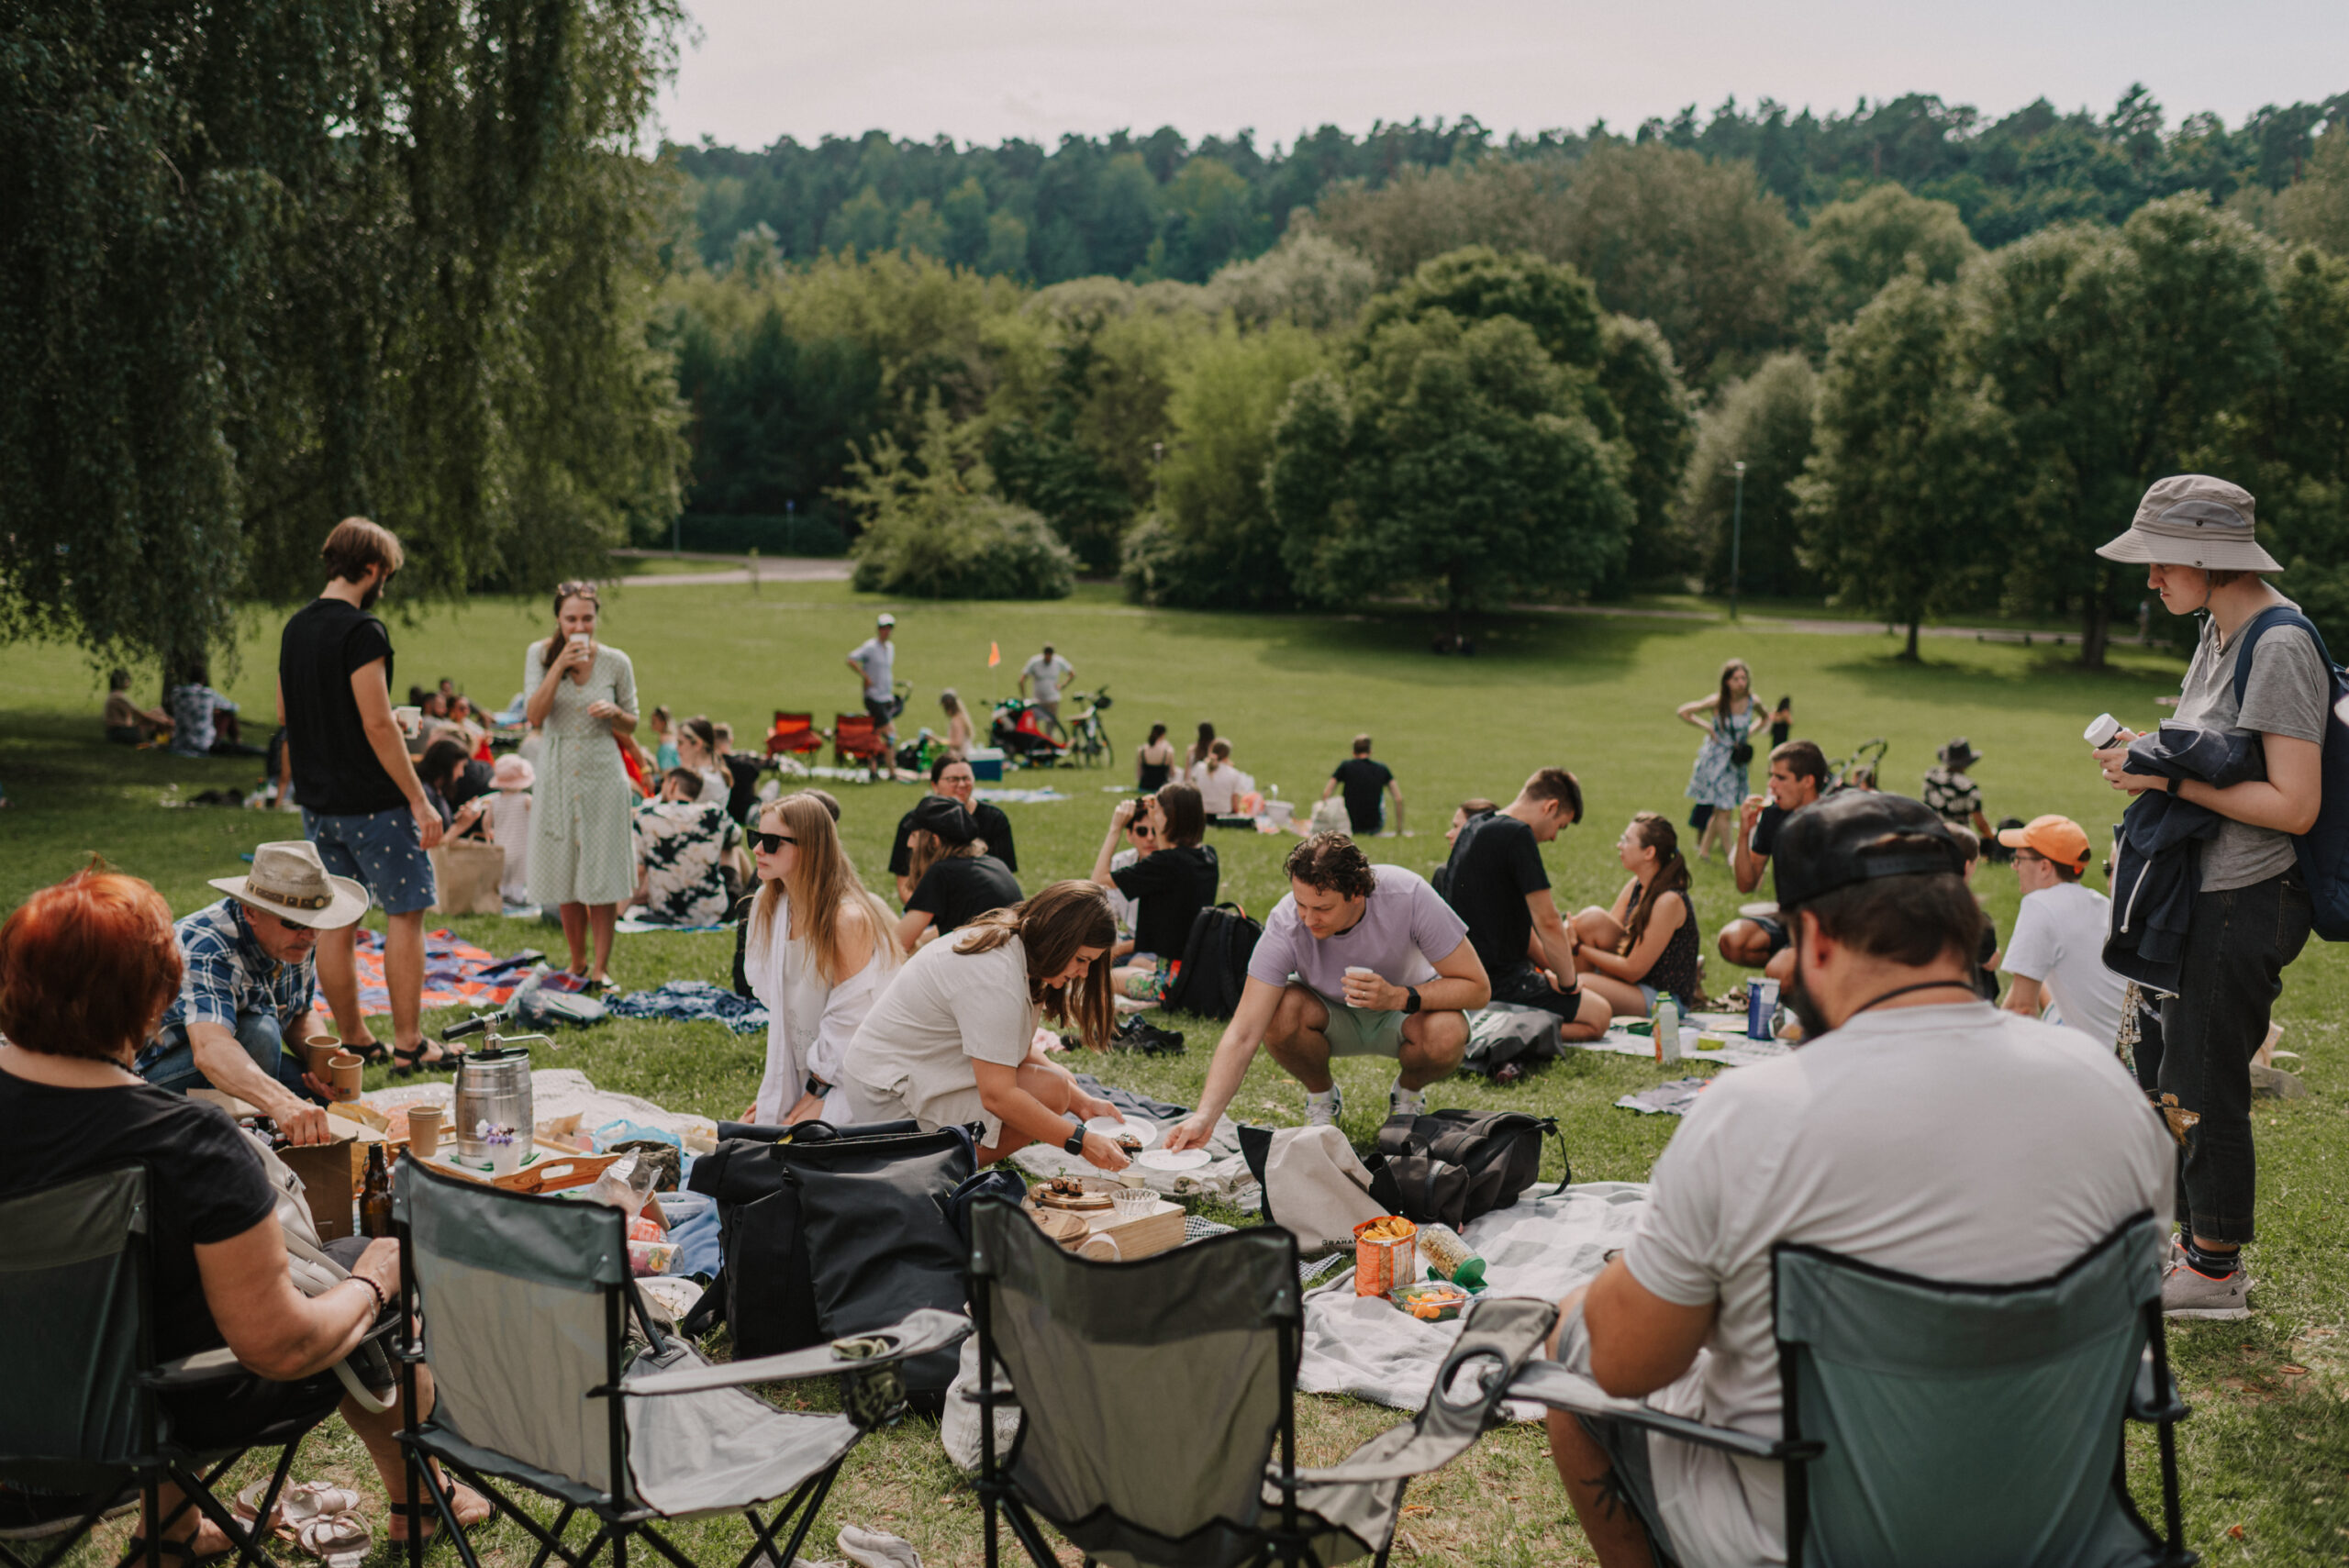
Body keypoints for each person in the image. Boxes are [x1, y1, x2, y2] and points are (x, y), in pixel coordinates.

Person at [1540, 792, 2170, 1568]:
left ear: (1816, 939)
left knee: (1572, 1353)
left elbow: (1622, 1364)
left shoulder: (1752, 1118)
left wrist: (1583, 1304)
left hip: (1816, 1541)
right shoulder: (2110, 1093)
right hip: (2062, 1533)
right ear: (1964, 925)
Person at [0, 865, 491, 1556]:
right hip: (135, 1427)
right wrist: (378, 1278)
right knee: (361, 1267)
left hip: (17, 1426)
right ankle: (419, 1498)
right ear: (154, 1004)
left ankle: (172, 1529)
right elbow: (283, 1345)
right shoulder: (193, 1146)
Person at [2089, 475, 2324, 1318]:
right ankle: (2191, 1248)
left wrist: (2169, 783)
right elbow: (2213, 750)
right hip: (2201, 887)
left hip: (2247, 893)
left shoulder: (2280, 641)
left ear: (2205, 555)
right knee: (2169, 1069)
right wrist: (2148, 758)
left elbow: (2296, 803)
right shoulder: (2219, 631)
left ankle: (2215, 1270)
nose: (2151, 579)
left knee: (2203, 1076)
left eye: (2159, 561)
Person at [1166, 835, 1491, 1142]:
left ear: (1358, 892)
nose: (1308, 919)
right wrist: (1204, 1116)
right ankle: (1322, 1097)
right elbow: (1244, 1031)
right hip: (1328, 1015)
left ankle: (1408, 1095)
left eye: (1323, 909)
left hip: (1403, 1013)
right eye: (1301, 904)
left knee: (1449, 1031)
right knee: (1278, 1011)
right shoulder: (1286, 922)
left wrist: (1398, 996)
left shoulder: (1409, 895)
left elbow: (1477, 988)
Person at [275, 517, 450, 1070]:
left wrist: (375, 718)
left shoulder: (295, 628)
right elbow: (376, 726)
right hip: (374, 804)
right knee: (407, 912)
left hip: (320, 806)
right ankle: (408, 1043)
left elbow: (287, 714)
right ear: (371, 569)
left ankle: (353, 1036)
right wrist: (421, 801)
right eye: (386, 575)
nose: (384, 586)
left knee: (338, 920)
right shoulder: (362, 631)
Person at [834, 882, 1131, 1169]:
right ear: (1058, 940)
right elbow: (998, 1097)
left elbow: (1019, 1051)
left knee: (1062, 1084)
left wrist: (1083, 1104)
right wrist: (1079, 1140)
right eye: (1081, 959)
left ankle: (944, 1160)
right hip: (887, 1095)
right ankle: (938, 1170)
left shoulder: (1022, 951)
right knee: (1052, 1091)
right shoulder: (995, 974)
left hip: (914, 1070)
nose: (1084, 973)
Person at [133, 842, 362, 1141]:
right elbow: (211, 1050)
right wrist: (283, 1103)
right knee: (262, 1035)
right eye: (294, 922)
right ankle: (240, 1139)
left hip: (233, 1057)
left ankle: (259, 1128)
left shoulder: (293, 940)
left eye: (315, 922)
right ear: (251, 911)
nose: (309, 935)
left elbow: (299, 1013)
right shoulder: (207, 946)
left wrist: (320, 1060)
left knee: (321, 1104)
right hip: (149, 1081)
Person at [743, 793, 901, 1125]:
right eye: (755, 837)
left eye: (771, 842)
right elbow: (779, 1005)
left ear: (810, 848)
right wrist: (781, 1095)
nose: (757, 850)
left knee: (784, 1150)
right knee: (744, 1141)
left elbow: (852, 1020)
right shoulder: (769, 903)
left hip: (859, 1074)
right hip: (809, 1069)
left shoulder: (846, 919)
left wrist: (814, 1094)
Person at [525, 581, 640, 988]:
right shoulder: (539, 655)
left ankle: (602, 967)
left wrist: (614, 713)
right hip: (556, 770)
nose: (580, 626)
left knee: (602, 870)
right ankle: (576, 962)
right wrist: (558, 666)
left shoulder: (615, 662)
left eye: (587, 618)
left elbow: (633, 720)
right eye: (571, 618)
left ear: (596, 619)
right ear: (559, 618)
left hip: (603, 772)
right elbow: (534, 716)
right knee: (565, 872)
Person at [1438, 770, 1609, 1039]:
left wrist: (1550, 970)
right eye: (1560, 826)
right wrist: (1568, 983)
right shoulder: (1516, 834)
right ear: (1550, 806)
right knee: (1599, 1015)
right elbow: (1549, 921)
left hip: (1464, 974)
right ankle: (1496, 1026)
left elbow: (1513, 921)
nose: (1554, 837)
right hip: (1500, 981)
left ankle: (1489, 1019)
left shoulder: (1476, 824)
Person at [1995, 815, 2126, 1049]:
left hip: (2099, 1058)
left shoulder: (2040, 904)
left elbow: (2021, 1009)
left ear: (2045, 866)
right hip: (2128, 1052)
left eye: (2019, 859)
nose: (2015, 867)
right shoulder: (2101, 904)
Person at [1088, 782, 1218, 1001]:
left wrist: (1115, 828)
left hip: (1168, 985)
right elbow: (1170, 849)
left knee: (1096, 977)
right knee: (1137, 963)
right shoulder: (1207, 856)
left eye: (1155, 810)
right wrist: (1159, 806)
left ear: (1168, 818)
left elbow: (1098, 881)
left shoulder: (1165, 864)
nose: (1152, 813)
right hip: (1192, 970)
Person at [1571, 813, 1702, 1018]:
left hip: (1663, 999)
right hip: (1635, 984)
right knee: (1591, 920)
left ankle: (1579, 1003)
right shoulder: (1637, 885)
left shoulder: (1669, 901)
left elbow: (1633, 970)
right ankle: (1579, 1001)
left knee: (1578, 983)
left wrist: (1578, 948)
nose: (1619, 845)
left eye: (1626, 840)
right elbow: (1605, 938)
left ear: (1649, 852)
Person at [1715, 740, 1831, 972]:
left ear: (1808, 781)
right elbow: (1746, 884)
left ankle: (1797, 974)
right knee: (1732, 941)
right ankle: (1794, 969)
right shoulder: (1773, 816)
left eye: (1780, 778)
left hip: (1826, 925)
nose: (1771, 785)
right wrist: (1745, 832)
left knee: (1779, 971)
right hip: (1788, 919)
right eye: (1771, 776)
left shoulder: (1832, 820)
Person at [897, 795, 1022, 949]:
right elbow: (960, 926)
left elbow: (898, 945)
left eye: (914, 835)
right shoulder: (994, 863)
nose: (909, 843)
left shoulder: (942, 872)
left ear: (934, 841)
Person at [887, 755, 1018, 899]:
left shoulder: (995, 819)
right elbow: (905, 883)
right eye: (953, 779)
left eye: (966, 778)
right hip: (927, 904)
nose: (962, 784)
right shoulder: (915, 822)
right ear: (934, 785)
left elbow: (1003, 878)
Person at [630, 771, 746, 929]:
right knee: (729, 847)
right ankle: (746, 896)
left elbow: (639, 871)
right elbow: (736, 837)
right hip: (714, 912)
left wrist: (621, 913)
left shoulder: (645, 816)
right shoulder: (714, 813)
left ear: (672, 785)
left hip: (666, 912)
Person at [1677, 659, 1764, 862]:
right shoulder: (1718, 702)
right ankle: (1731, 854)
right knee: (1724, 810)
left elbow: (1766, 717)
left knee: (1722, 809)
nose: (1741, 683)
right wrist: (1707, 727)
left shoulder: (1753, 701)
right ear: (1726, 682)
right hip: (1716, 762)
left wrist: (1749, 732)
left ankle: (1705, 851)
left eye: (1743, 678)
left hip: (1736, 763)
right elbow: (1684, 711)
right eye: (1736, 679)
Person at [169, 662, 262, 756]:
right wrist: (216, 710)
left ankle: (237, 744)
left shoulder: (177, 693)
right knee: (228, 713)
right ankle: (237, 742)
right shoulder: (208, 694)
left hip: (180, 743)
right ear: (203, 679)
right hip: (204, 744)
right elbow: (234, 707)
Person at [1324, 733, 1406, 837]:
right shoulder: (1382, 769)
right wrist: (1399, 830)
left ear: (1353, 752)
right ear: (1370, 751)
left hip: (1348, 824)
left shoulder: (1345, 767)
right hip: (1374, 826)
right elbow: (1398, 798)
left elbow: (1326, 793)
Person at [846, 613, 898, 768]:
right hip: (874, 697)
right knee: (890, 734)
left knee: (873, 735)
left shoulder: (890, 648)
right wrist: (866, 677)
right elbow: (851, 659)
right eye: (883, 628)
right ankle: (892, 770)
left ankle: (874, 769)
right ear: (878, 629)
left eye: (889, 628)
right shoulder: (870, 647)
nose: (886, 631)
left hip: (885, 697)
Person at [484, 753, 535, 907]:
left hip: (501, 846)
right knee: (518, 876)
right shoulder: (526, 800)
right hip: (521, 846)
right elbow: (535, 819)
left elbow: (486, 821)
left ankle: (504, 897)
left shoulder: (494, 801)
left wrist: (488, 832)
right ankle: (518, 898)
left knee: (504, 875)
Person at [417, 738, 494, 839]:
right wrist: (461, 825)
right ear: (449, 765)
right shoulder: (427, 793)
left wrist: (460, 818)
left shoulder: (434, 790)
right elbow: (430, 844)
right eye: (461, 767)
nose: (461, 774)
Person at [1920, 737, 1993, 838]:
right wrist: (1992, 837)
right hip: (1957, 840)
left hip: (1930, 834)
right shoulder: (1968, 787)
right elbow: (1980, 823)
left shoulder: (1931, 776)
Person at [1018, 642, 1074, 735]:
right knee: (1033, 722)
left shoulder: (1058, 661)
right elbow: (1022, 680)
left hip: (1052, 699)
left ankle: (1049, 742)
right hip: (1037, 700)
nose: (1048, 657)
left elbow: (1072, 673)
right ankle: (1036, 741)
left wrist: (1062, 685)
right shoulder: (1035, 662)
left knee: (1051, 723)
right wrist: (1024, 697)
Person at [105, 668, 173, 745]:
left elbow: (134, 716)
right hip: (119, 734)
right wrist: (165, 721)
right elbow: (141, 715)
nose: (129, 681)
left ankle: (164, 740)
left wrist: (162, 719)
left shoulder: (115, 695)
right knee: (154, 717)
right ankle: (164, 741)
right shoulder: (118, 697)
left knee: (158, 710)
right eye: (127, 679)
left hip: (117, 733)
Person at [671, 714, 728, 805]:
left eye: (680, 743)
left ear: (697, 744)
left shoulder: (705, 781)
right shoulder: (710, 772)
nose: (677, 748)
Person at [1190, 738, 1243, 815]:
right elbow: (1235, 805)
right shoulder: (1233, 773)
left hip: (1201, 813)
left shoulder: (1199, 767)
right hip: (1223, 815)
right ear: (1227, 756)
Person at [1136, 722, 1176, 791]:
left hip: (1144, 786)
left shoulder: (1142, 750)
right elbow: (1172, 773)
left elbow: (1139, 774)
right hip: (1161, 787)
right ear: (1163, 735)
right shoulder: (1168, 751)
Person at [939, 688, 975, 757]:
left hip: (963, 757)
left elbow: (957, 743)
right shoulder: (960, 717)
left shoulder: (957, 721)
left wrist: (938, 741)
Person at [647, 705, 680, 771]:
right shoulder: (671, 736)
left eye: (654, 722)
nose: (651, 724)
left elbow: (665, 769)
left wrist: (649, 758)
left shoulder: (665, 742)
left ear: (663, 723)